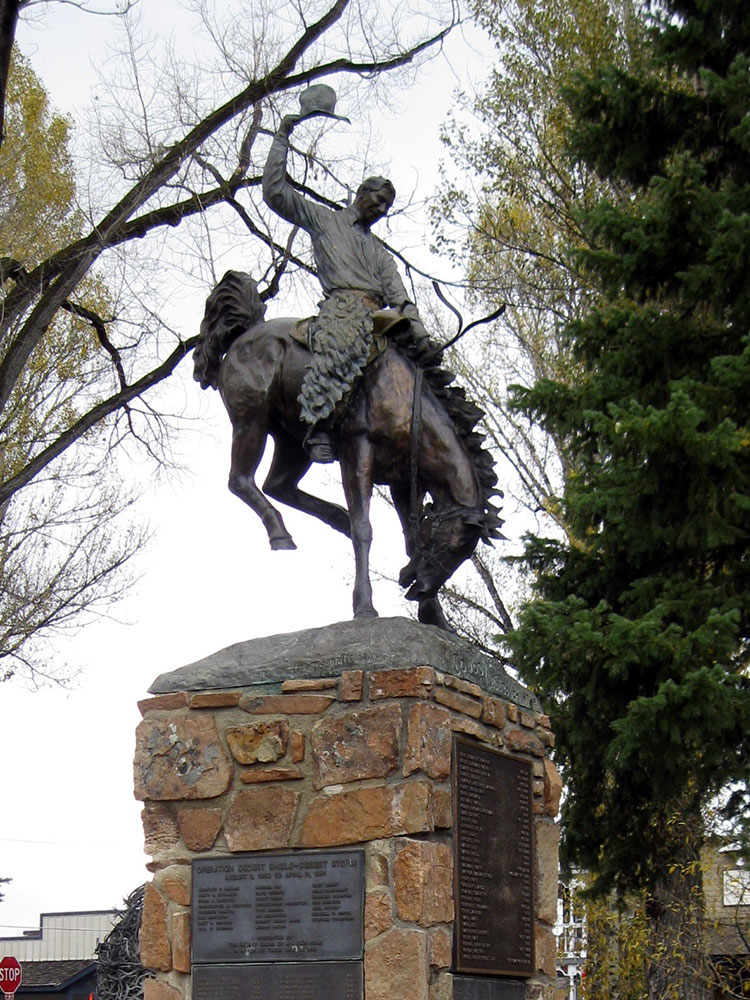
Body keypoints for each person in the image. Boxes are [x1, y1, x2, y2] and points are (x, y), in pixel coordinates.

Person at [262, 112, 433, 463]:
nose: (383, 209)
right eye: (379, 199)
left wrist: (420, 334)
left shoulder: (380, 254)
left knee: (417, 372)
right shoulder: (325, 221)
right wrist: (283, 136)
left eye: (388, 205)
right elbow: (276, 193)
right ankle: (319, 423)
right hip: (342, 309)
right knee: (341, 343)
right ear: (362, 193)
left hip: (379, 317)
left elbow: (400, 297)